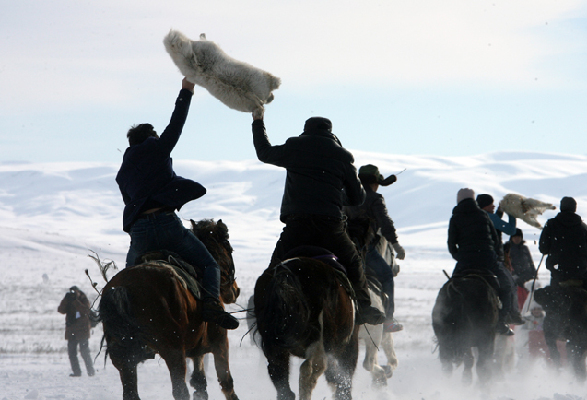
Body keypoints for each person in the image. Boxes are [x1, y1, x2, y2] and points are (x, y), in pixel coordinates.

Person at [115, 78, 238, 330]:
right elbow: (177, 123)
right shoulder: (158, 148)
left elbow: (130, 203)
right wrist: (187, 90)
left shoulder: (123, 172)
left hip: (139, 235)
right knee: (209, 264)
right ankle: (212, 306)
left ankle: (126, 325)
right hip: (167, 226)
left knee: (125, 282)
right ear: (151, 137)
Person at [251, 108, 385, 325]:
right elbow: (358, 197)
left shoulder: (295, 146)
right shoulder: (342, 155)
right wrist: (333, 196)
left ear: (306, 130)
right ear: (330, 133)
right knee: (353, 261)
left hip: (297, 227)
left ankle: (264, 308)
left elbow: (264, 152)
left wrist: (258, 121)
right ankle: (363, 307)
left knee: (273, 270)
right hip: (329, 228)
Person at [448, 188, 520, 335]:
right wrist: (495, 255)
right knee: (507, 286)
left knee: (450, 288)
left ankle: (448, 324)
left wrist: (460, 257)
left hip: (465, 261)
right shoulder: (483, 215)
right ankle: (502, 322)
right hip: (487, 259)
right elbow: (495, 239)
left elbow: (451, 243)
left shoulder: (455, 217)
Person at [344, 164, 405, 332]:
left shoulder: (345, 195)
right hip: (365, 249)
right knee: (386, 275)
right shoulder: (374, 198)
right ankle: (388, 321)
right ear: (374, 183)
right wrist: (395, 244)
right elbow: (385, 222)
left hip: (341, 247)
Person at [477, 193, 524, 324]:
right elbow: (510, 230)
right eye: (490, 204)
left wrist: (499, 211)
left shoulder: (474, 217)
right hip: (491, 260)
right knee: (510, 285)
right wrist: (511, 214)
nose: (492, 205)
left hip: (472, 260)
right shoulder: (490, 217)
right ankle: (511, 315)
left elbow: (494, 221)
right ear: (485, 206)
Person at [539, 196, 587, 296]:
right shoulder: (584, 228)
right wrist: (582, 264)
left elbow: (543, 248)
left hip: (558, 273)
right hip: (581, 273)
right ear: (574, 208)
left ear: (561, 207)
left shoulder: (551, 225)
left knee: (550, 300)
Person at [57, 287, 95, 377]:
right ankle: (77, 372)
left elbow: (86, 310)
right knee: (72, 353)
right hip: (71, 331)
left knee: (84, 352)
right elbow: (60, 310)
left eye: (75, 293)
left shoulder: (83, 298)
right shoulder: (68, 299)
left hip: (82, 331)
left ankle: (91, 372)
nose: (73, 294)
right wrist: (66, 300)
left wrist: (76, 301)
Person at [506, 229, 537, 310]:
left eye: (518, 237)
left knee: (530, 301)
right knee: (519, 302)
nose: (517, 239)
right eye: (515, 237)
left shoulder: (525, 248)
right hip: (516, 281)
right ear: (511, 238)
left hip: (528, 278)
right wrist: (514, 276)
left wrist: (535, 275)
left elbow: (531, 263)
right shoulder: (508, 249)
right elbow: (507, 265)